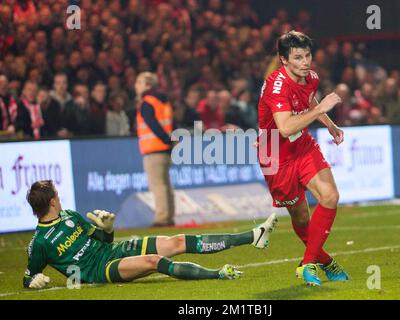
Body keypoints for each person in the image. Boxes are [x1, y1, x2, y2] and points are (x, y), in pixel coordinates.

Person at [23, 180, 278, 289]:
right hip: (99, 271)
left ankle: (254, 235)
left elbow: (104, 241)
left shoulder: (70, 216)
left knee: (176, 241)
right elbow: (28, 276)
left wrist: (107, 229)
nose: (59, 196)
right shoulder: (40, 242)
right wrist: (33, 281)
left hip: (111, 251)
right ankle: (218, 274)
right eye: (56, 194)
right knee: (154, 261)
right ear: (52, 201)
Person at [257, 30, 349, 286]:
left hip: (302, 146)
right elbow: (285, 128)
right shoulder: (277, 86)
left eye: (307, 55)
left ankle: (307, 264)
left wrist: (328, 124)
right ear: (283, 60)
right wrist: (321, 109)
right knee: (301, 217)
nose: (305, 62)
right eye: (298, 57)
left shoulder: (311, 77)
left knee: (330, 196)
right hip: (275, 154)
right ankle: (326, 262)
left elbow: (308, 98)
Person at [134, 72, 175, 227]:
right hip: (164, 149)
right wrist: (170, 141)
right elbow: (170, 123)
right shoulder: (163, 101)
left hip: (153, 148)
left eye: (139, 82)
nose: (136, 85)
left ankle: (162, 218)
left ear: (148, 85)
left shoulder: (147, 102)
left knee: (157, 185)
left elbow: (152, 124)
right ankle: (169, 216)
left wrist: (165, 139)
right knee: (165, 184)